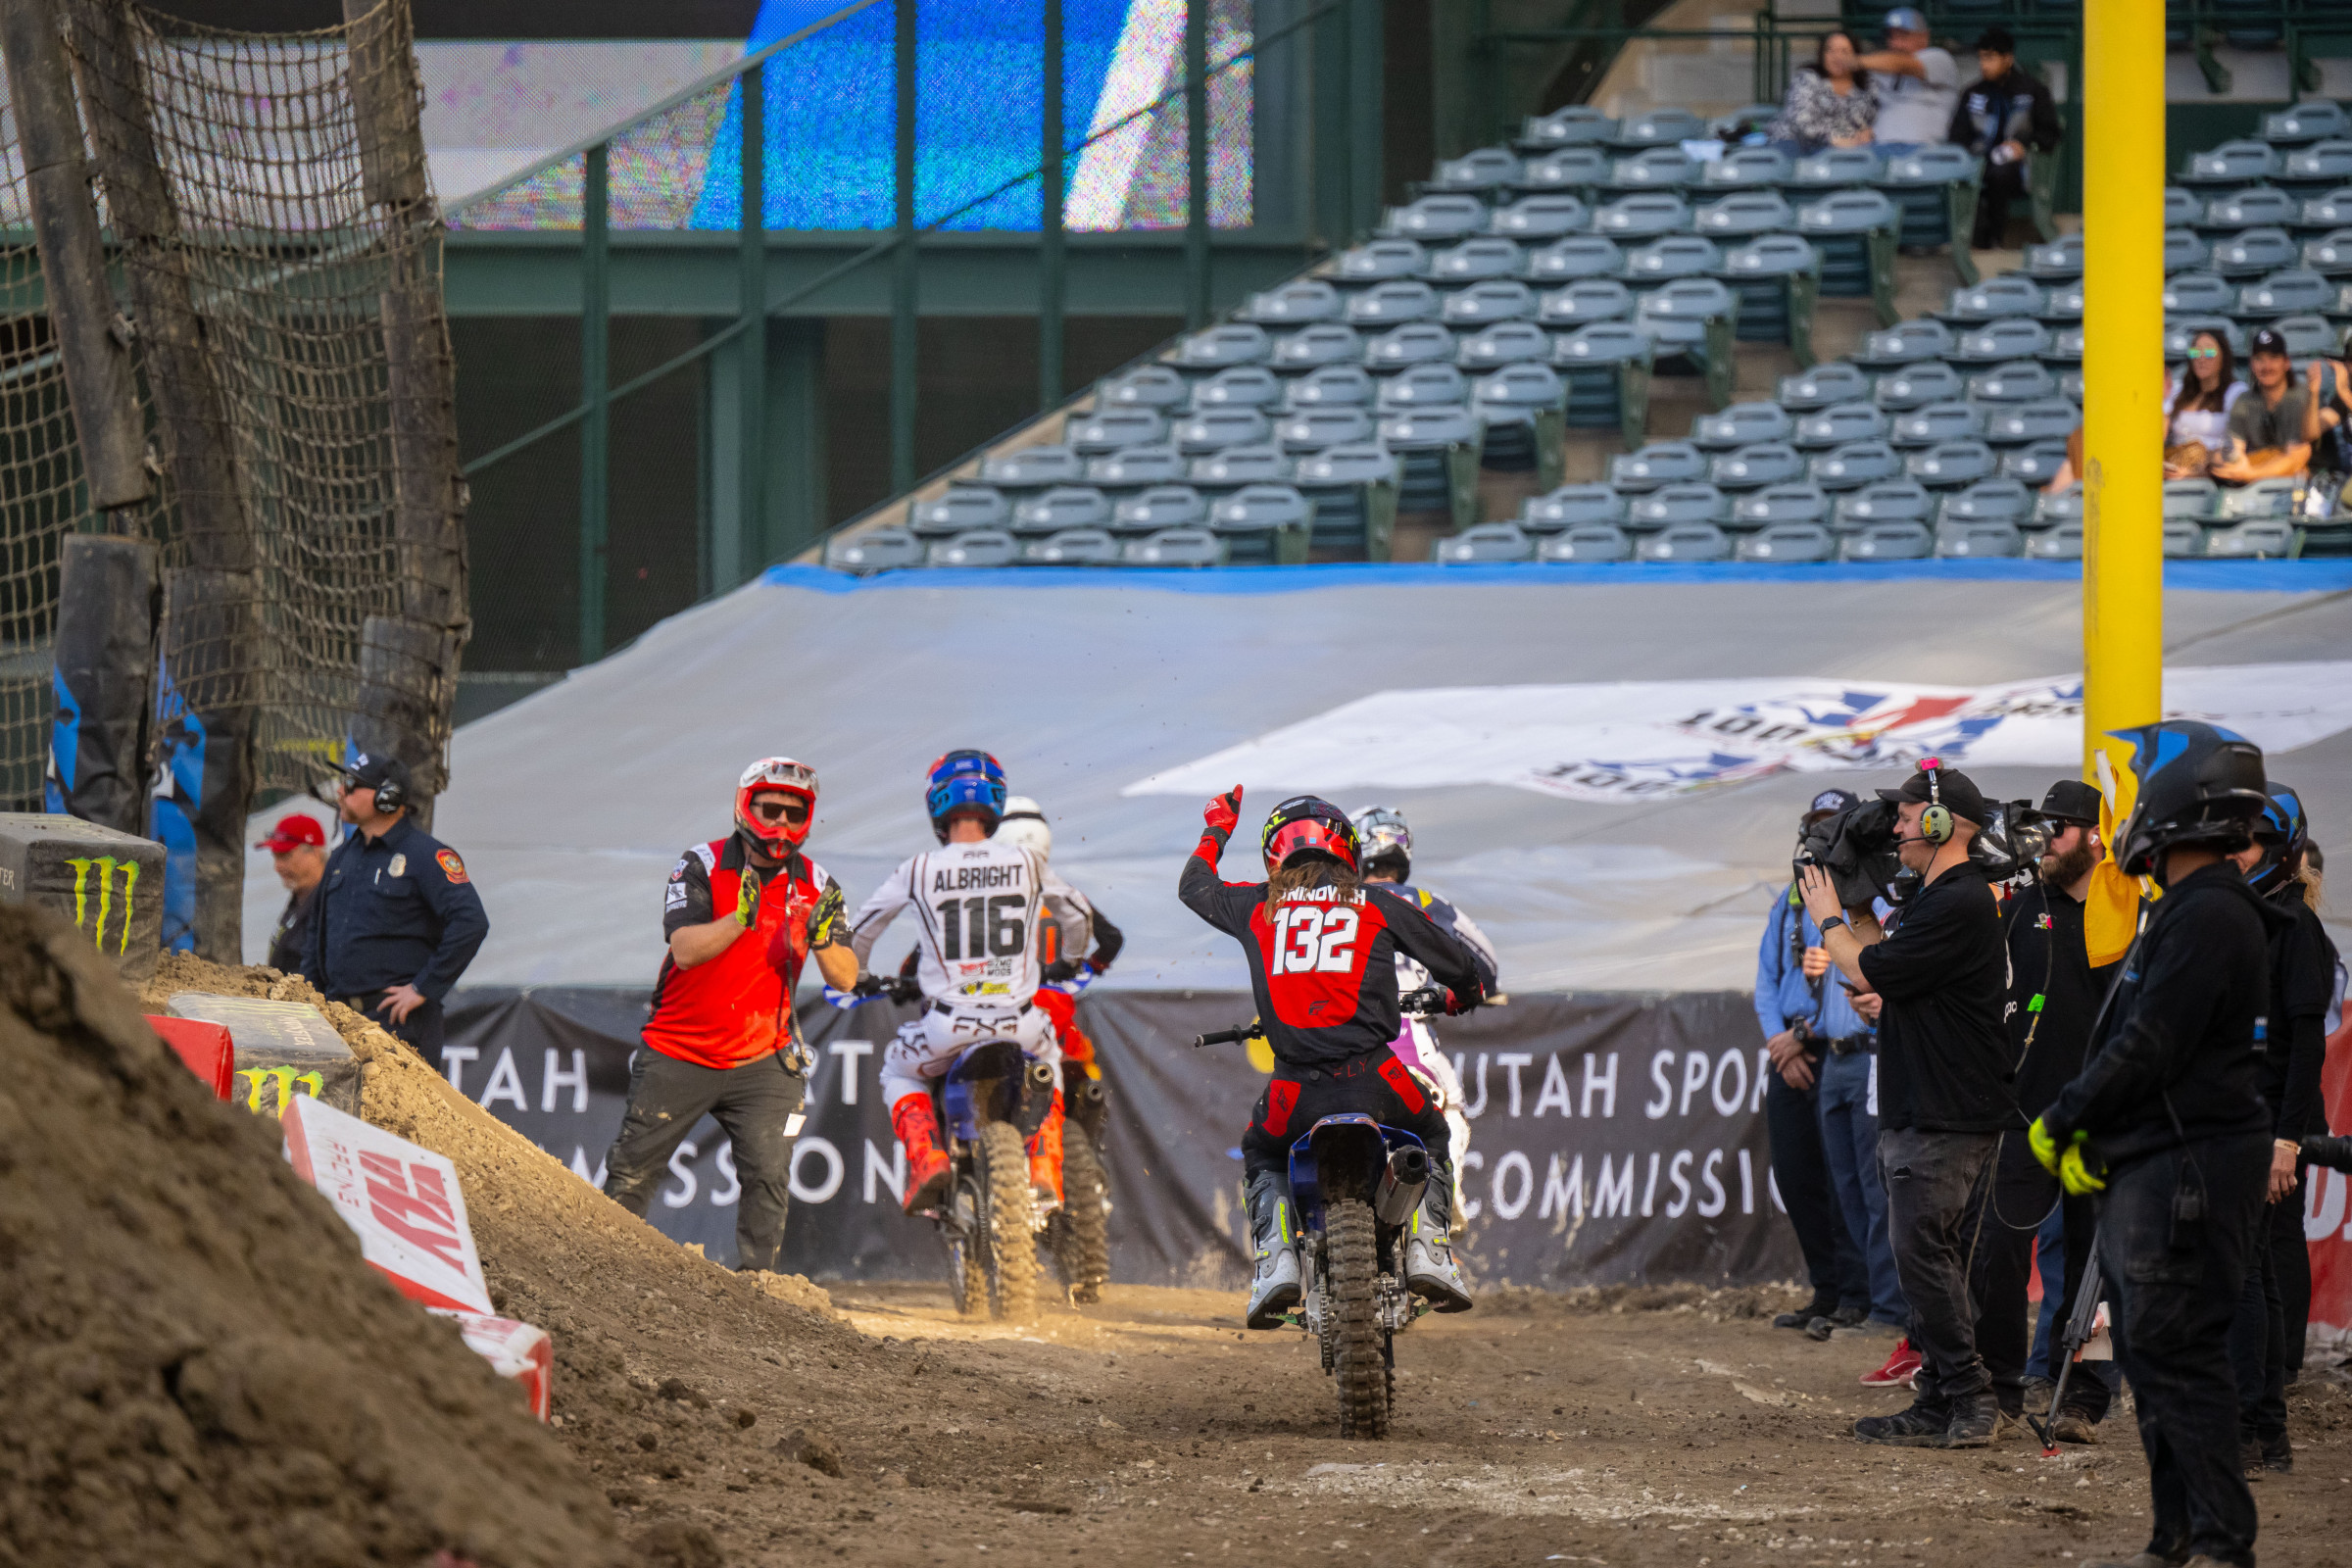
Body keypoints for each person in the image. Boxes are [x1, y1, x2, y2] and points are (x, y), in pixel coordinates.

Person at [2032, 720, 2277, 1568]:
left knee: (2178, 1356)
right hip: (2164, 1162)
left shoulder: (2210, 911)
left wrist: (2065, 1117)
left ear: (2176, 802)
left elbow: (2152, 1044)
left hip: (2191, 1168)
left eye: (2136, 794)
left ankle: (2219, 1542)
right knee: (2152, 1351)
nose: (2123, 814)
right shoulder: (2190, 908)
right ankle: (2176, 1538)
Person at [1181, 789, 1487, 1328]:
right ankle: (1429, 1249)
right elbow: (1463, 968)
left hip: (1295, 1091)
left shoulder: (1258, 905)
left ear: (1275, 854)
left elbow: (1194, 887)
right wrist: (1461, 995)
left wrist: (1217, 828)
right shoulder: (1377, 903)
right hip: (1377, 1077)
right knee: (1435, 1132)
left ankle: (1276, 1266)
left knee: (1261, 1150)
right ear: (1347, 850)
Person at [1799, 759, 2019, 1448]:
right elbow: (1885, 965)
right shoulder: (1942, 898)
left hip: (1943, 1112)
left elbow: (1869, 968)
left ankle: (1969, 1399)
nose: (1893, 827)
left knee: (1924, 1260)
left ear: (1939, 822)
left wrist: (1830, 915)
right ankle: (1937, 1400)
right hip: (1935, 1106)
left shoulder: (1958, 900)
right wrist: (1860, 909)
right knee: (1937, 1261)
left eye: (1903, 816)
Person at [601, 758, 854, 1273]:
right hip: (678, 1051)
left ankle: (758, 1290)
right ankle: (606, 1271)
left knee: (768, 1175)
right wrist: (740, 919)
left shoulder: (819, 884)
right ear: (746, 807)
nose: (781, 823)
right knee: (631, 1173)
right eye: (771, 809)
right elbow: (686, 949)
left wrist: (824, 938)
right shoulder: (700, 863)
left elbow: (845, 978)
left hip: (765, 1058)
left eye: (794, 811)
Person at [846, 752, 1090, 1216]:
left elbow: (860, 932)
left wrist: (857, 977)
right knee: (1052, 1061)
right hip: (1020, 1024)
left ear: (937, 805)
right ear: (995, 802)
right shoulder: (1027, 861)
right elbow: (1077, 916)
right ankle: (1043, 1164)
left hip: (947, 1028)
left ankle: (927, 1157)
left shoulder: (918, 868)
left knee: (897, 1071)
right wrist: (1073, 959)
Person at [1969, 779, 2119, 1443]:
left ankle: (2084, 1398)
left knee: (2097, 1265)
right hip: (2023, 1115)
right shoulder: (2019, 904)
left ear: (2093, 836)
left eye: (2059, 829)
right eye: (2041, 827)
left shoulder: (2125, 913)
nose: (2046, 840)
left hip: (2099, 1121)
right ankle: (2000, 1387)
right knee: (1997, 1253)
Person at [2226, 782, 2338, 1476]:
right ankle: (2266, 1432)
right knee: (2254, 1276)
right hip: (2241, 1125)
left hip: (2268, 1130)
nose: (2238, 854)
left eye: (2250, 841)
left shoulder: (2296, 927)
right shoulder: (2256, 919)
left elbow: (2308, 1048)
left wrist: (2285, 1142)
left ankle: (2251, 1428)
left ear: (2283, 847)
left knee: (2248, 1278)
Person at [1755, 790, 1877, 1341]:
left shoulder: (1864, 897)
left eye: (1833, 827)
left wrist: (1801, 1034)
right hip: (1794, 1050)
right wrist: (1781, 1039)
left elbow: (1848, 983)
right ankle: (1828, 1290)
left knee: (1845, 1182)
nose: (1820, 839)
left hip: (1833, 1049)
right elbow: (1765, 981)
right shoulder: (1793, 900)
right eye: (1815, 828)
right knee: (1798, 1177)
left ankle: (1857, 1294)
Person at [1350, 804, 1498, 1209]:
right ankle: (1441, 1205)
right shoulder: (1426, 901)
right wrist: (1457, 993)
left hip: (1330, 1040)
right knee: (1449, 1106)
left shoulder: (1328, 906)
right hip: (1405, 1041)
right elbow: (1485, 963)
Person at [301, 752, 489, 1064]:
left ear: (387, 796)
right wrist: (309, 1000)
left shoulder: (427, 855)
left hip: (398, 1027)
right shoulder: (341, 857)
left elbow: (471, 922)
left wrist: (422, 987)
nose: (340, 791)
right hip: (336, 1021)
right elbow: (315, 938)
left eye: (351, 784)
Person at [1946, 26, 2062, 249]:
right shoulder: (1973, 93)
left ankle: (1995, 238)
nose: (1984, 65)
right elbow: (1957, 136)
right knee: (1967, 174)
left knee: (2000, 173)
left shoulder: (2033, 91)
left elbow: (2050, 133)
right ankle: (1969, 239)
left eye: (1990, 58)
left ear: (2008, 59)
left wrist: (2023, 145)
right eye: (1981, 58)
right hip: (1978, 163)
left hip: (2020, 168)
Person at [2211, 328, 2313, 485]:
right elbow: (2235, 450)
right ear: (2251, 364)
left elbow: (2298, 457)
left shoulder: (2301, 397)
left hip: (2308, 483)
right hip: (2261, 482)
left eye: (2273, 358)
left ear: (2286, 362)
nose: (2266, 366)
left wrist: (2250, 473)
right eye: (2259, 359)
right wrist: (2231, 462)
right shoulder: (2244, 401)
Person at [1858, 9, 1959, 156]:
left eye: (1903, 36)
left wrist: (1854, 60)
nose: (1896, 43)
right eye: (1891, 36)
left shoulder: (1939, 58)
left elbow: (1903, 64)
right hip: (1878, 150)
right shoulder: (1878, 66)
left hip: (1925, 152)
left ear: (1924, 37)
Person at [1767, 30, 1878, 156]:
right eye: (1830, 50)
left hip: (1848, 148)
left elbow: (1876, 118)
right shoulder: (1807, 78)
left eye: (1844, 51)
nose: (1837, 57)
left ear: (1856, 56)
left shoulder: (1867, 84)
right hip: (1797, 142)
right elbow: (1801, 122)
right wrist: (1833, 139)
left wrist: (1868, 132)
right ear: (1822, 55)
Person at [257, 810, 327, 974]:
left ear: (315, 853)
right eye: (275, 857)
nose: (277, 867)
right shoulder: (300, 895)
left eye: (284, 856)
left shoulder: (331, 902)